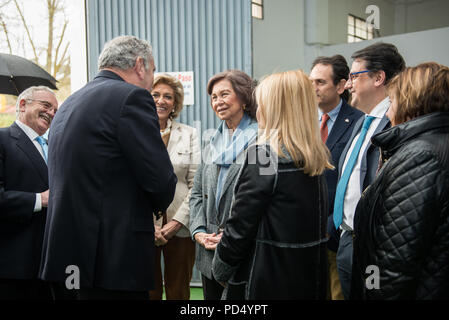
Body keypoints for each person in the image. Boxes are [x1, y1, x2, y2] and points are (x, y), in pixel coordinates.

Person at [38, 35, 177, 300]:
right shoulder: (131, 97)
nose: (152, 79)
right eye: (154, 69)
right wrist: (159, 204)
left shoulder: (71, 101)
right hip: (111, 257)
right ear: (140, 65)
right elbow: (159, 179)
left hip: (67, 254)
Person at [211, 69, 332, 300]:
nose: (258, 109)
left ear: (274, 108)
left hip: (264, 279)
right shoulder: (314, 154)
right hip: (307, 277)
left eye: (262, 103)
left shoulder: (264, 156)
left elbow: (239, 228)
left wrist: (221, 267)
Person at [351, 62, 449, 299]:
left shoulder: (419, 157)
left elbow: (394, 261)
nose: (387, 112)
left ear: (411, 102)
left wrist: (371, 291)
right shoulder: (434, 144)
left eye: (392, 102)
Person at [332, 42, 405, 299]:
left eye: (354, 76)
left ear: (378, 77)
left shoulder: (397, 124)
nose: (349, 84)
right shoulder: (362, 121)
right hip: (347, 239)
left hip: (373, 245)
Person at [189, 69, 258, 300]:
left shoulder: (261, 142)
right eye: (213, 97)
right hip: (208, 253)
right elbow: (197, 193)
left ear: (243, 96)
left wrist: (229, 235)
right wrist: (199, 231)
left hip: (242, 253)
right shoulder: (211, 142)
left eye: (224, 94)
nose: (218, 102)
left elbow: (260, 202)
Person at [310, 55, 364, 300]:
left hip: (336, 234)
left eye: (320, 82)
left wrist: (331, 225)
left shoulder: (359, 124)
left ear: (341, 86)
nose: (313, 88)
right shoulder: (304, 123)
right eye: (311, 81)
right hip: (303, 234)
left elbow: (356, 182)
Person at [0, 86, 58, 299]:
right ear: (23, 104)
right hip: (14, 264)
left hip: (50, 264)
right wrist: (39, 200)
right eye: (46, 105)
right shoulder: (3, 139)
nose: (51, 113)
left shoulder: (54, 147)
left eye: (55, 110)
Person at [148, 74, 200, 300]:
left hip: (180, 225)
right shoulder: (134, 132)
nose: (161, 100)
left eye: (168, 96)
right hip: (143, 224)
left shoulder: (189, 134)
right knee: (148, 290)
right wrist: (150, 225)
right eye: (155, 95)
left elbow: (195, 182)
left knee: (179, 290)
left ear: (175, 103)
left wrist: (177, 223)